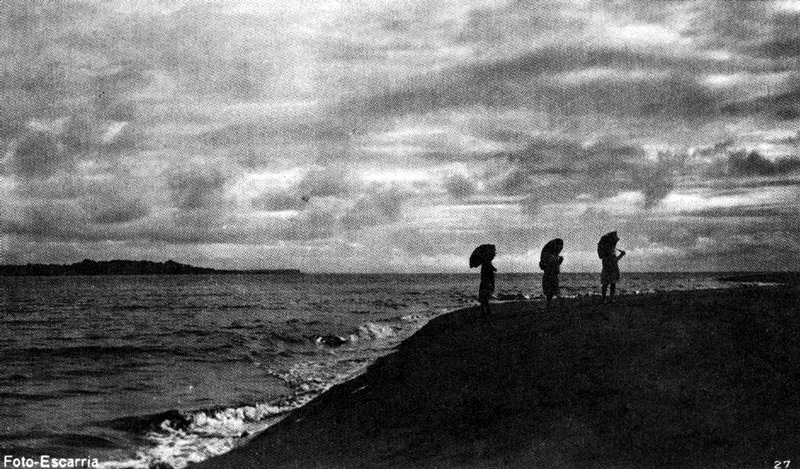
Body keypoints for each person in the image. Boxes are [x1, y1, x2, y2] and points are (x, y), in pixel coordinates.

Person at [599, 232, 625, 304]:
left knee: (608, 284)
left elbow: (612, 261)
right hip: (610, 270)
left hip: (608, 270)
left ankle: (607, 299)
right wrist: (621, 255)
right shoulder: (608, 253)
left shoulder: (606, 252)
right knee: (609, 284)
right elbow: (614, 261)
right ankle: (609, 298)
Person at [539, 239, 564, 310]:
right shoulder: (551, 256)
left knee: (550, 290)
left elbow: (543, 266)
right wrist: (559, 261)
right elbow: (549, 264)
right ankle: (551, 304)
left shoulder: (547, 254)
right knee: (553, 289)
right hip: (551, 274)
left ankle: (550, 304)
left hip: (549, 274)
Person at [478, 246, 497, 318]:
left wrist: (493, 268)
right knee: (485, 298)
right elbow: (486, 274)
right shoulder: (487, 262)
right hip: (486, 282)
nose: (494, 255)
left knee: (485, 298)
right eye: (493, 254)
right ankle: (485, 312)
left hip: (486, 282)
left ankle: (485, 312)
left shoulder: (487, 262)